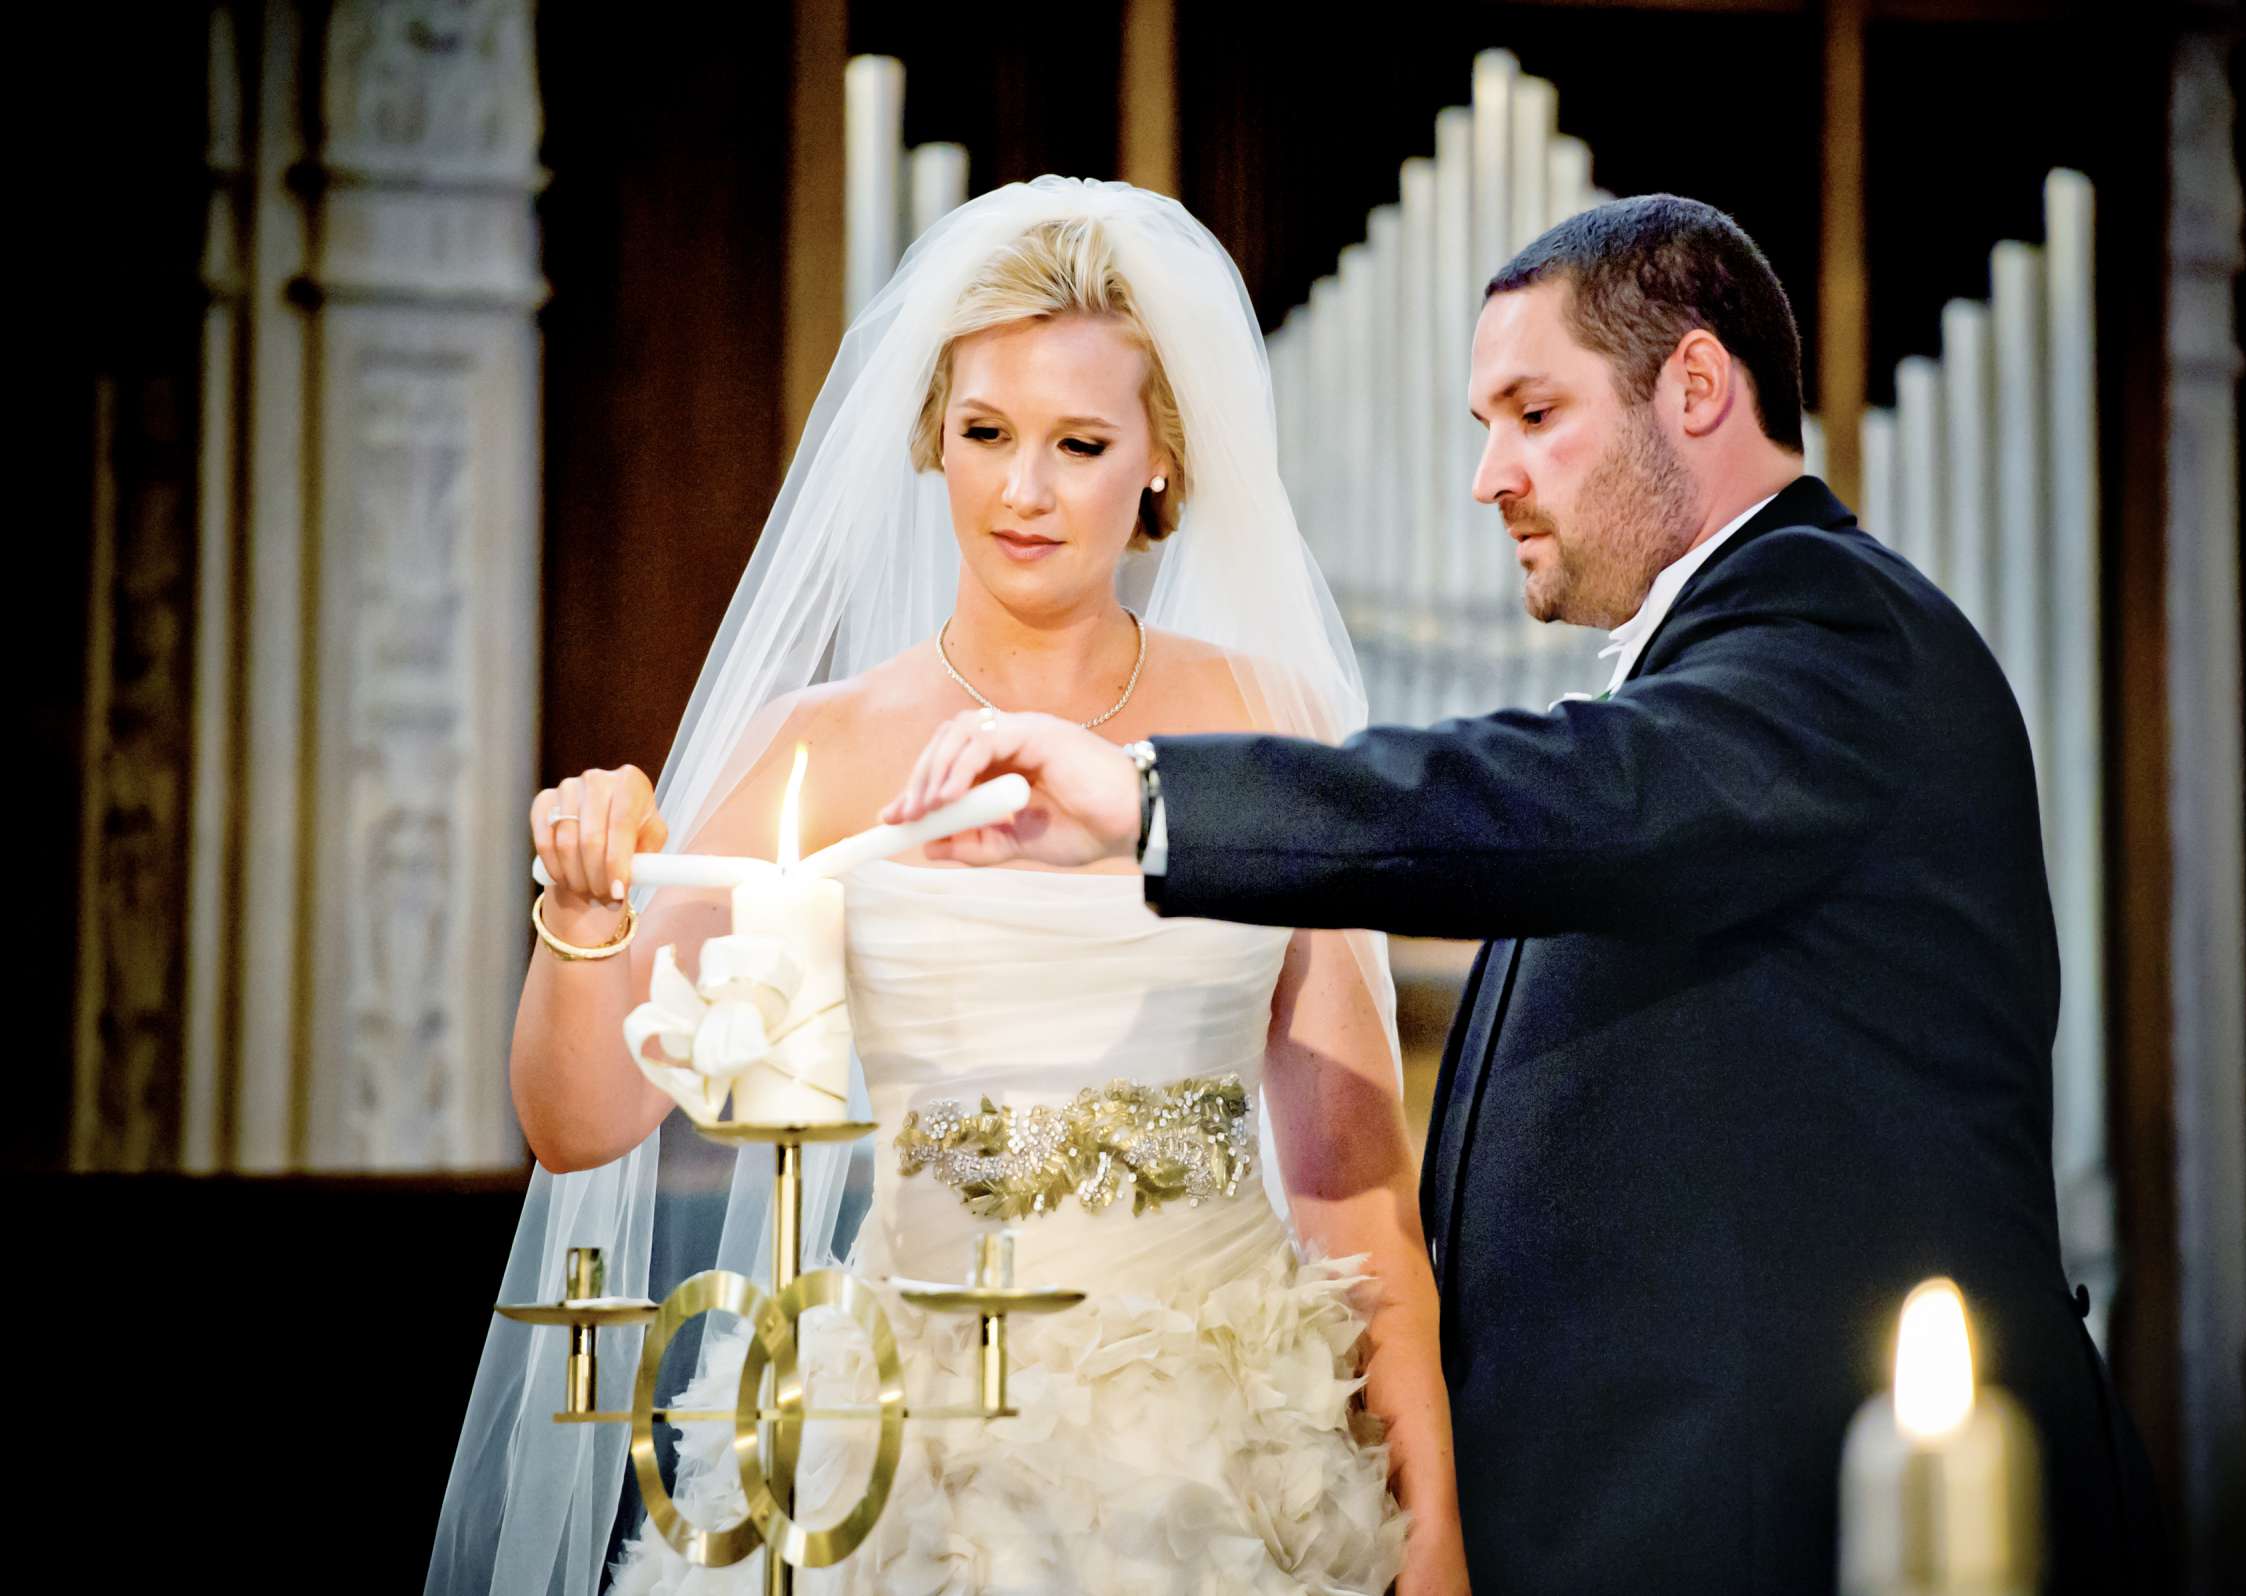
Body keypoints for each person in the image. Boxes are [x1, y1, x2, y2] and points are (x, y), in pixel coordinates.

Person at [882, 195, 2158, 1595]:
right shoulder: (1706, 665)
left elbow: (1576, 796)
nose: (1488, 476)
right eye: (1482, 425)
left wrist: (1151, 801)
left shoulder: (1834, 635)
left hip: (1792, 1519)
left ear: (1693, 387)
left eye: (1533, 414)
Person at [427, 179, 1468, 1596]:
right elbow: (581, 1118)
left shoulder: (1271, 725)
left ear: (1160, 460)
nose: (1023, 490)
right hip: (910, 1434)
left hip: (1236, 1442)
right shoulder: (828, 746)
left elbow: (1358, 1205)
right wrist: (586, 918)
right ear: (932, 436)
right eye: (985, 434)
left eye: (1078, 443)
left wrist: (1440, 1541)